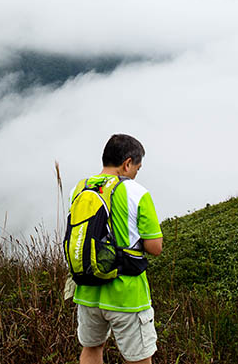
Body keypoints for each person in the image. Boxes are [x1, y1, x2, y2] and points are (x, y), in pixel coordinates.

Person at [71, 134, 163, 364]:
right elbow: (155, 247)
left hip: (87, 289)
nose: (135, 173)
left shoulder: (81, 188)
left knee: (92, 348)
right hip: (126, 293)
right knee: (140, 358)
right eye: (137, 168)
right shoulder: (137, 193)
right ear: (127, 163)